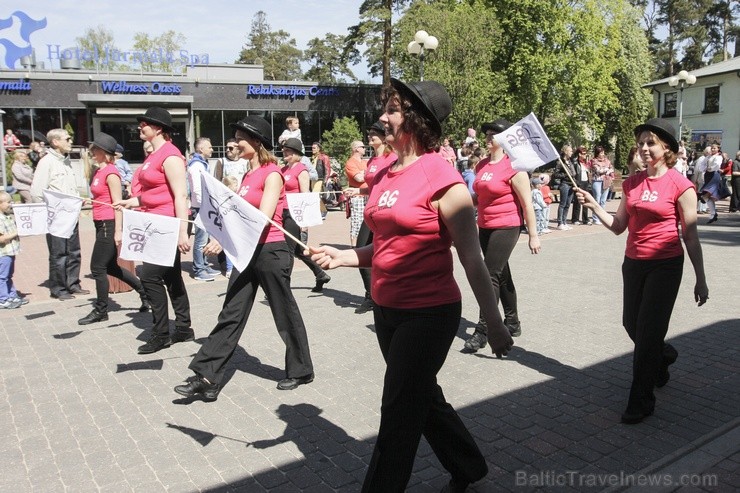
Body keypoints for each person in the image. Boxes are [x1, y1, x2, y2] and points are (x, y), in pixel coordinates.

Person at [310, 79, 513, 493]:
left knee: (399, 409)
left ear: (418, 120)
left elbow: (472, 258)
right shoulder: (384, 172)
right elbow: (385, 243)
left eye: (394, 109)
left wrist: (493, 322)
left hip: (429, 313)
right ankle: (469, 466)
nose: (383, 116)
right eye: (386, 108)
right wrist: (345, 256)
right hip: (387, 310)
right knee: (421, 396)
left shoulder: (443, 178)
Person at [575, 118, 708, 424]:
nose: (644, 148)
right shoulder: (632, 184)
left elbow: (690, 235)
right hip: (633, 262)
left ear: (667, 148)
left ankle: (641, 400)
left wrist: (700, 278)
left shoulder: (681, 185)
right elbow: (619, 227)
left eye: (651, 142)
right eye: (641, 143)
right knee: (631, 324)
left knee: (647, 334)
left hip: (665, 264)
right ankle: (662, 357)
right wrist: (596, 206)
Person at [174, 116, 314, 400]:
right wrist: (219, 238)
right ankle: (207, 377)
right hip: (246, 251)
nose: (234, 143)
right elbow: (233, 215)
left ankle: (301, 370)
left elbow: (262, 218)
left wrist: (229, 240)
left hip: (270, 251)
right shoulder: (248, 176)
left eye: (239, 137)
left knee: (284, 312)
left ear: (256, 142)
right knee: (231, 312)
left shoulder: (272, 173)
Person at [115, 107, 193, 355]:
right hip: (153, 223)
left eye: (144, 124)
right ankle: (183, 328)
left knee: (149, 276)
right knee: (171, 278)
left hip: (166, 226)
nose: (140, 127)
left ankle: (161, 334)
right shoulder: (154, 155)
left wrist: (182, 232)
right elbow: (153, 194)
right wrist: (131, 202)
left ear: (158, 128)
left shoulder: (171, 156)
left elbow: (180, 195)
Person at [463, 119, 541, 352]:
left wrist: (533, 235)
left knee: (489, 274)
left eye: (492, 136)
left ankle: (483, 330)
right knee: (501, 274)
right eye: (486, 135)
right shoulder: (482, 165)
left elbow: (527, 204)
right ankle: (513, 321)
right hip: (485, 225)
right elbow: (479, 196)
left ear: (505, 140)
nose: (487, 140)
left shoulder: (515, 167)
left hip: (507, 226)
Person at [77, 133, 150, 325]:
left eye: (95, 148)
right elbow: (101, 197)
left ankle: (101, 310)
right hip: (99, 222)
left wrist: (118, 231)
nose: (92, 151)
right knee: (111, 267)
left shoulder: (111, 173)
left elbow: (117, 204)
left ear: (104, 152)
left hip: (109, 224)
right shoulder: (98, 171)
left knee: (98, 268)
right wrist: (89, 201)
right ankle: (144, 292)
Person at [345, 121, 398, 315]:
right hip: (370, 211)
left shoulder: (392, 158)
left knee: (385, 255)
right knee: (361, 251)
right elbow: (372, 186)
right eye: (369, 134)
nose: (370, 137)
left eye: (374, 134)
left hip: (384, 213)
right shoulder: (371, 161)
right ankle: (371, 295)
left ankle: (385, 295)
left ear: (384, 136)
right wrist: (357, 190)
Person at [30, 128, 88, 300]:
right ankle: (59, 288)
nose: (71, 142)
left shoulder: (66, 161)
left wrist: (78, 199)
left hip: (71, 214)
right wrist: (46, 214)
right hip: (56, 218)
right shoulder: (47, 162)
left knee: (74, 251)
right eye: (67, 139)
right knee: (59, 253)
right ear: (55, 142)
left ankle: (72, 284)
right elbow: (37, 192)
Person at [279, 137, 331, 292]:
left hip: (294, 214)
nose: (284, 152)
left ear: (296, 153)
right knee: (298, 250)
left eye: (288, 150)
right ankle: (320, 274)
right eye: (284, 150)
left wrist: (304, 223)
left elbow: (305, 195)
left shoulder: (301, 169)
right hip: (282, 212)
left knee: (287, 250)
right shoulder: (283, 169)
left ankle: (283, 288)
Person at [188, 137, 220, 281]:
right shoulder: (196, 166)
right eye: (210, 147)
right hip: (200, 207)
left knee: (205, 238)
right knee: (201, 240)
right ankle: (199, 269)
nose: (212, 149)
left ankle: (204, 265)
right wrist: (204, 206)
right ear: (201, 149)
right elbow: (197, 189)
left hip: (204, 206)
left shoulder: (202, 164)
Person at [0, 191, 27, 309]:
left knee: (8, 275)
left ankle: (12, 295)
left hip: (11, 252)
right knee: (2, 277)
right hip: (3, 254)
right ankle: (3, 299)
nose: (10, 204)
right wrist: (17, 231)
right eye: (8, 202)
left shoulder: (6, 216)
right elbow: (2, 239)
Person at [344, 140, 368, 247]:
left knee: (367, 222)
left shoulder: (364, 162)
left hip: (367, 195)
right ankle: (354, 246)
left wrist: (364, 173)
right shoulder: (350, 162)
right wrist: (367, 173)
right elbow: (358, 178)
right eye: (362, 146)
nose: (365, 148)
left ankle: (365, 245)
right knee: (357, 223)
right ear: (356, 149)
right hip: (356, 196)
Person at [699, 144, 724, 224]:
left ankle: (704, 199)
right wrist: (704, 169)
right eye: (712, 148)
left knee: (707, 193)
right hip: (708, 176)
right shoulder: (708, 157)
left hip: (714, 175)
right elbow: (702, 165)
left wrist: (710, 168)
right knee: (709, 197)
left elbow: (717, 165)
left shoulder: (718, 157)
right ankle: (713, 214)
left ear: (718, 149)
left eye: (714, 148)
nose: (713, 149)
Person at [220, 175, 240, 278]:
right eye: (235, 185)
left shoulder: (236, 196)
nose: (237, 186)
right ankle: (229, 268)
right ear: (228, 186)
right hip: (228, 225)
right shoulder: (227, 197)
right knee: (230, 248)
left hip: (235, 225)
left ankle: (234, 267)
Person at [589, 145, 614, 225]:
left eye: (603, 152)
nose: (602, 154)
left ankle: (602, 218)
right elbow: (598, 170)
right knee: (597, 199)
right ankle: (595, 218)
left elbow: (612, 168)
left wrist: (607, 170)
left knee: (603, 201)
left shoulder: (607, 160)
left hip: (606, 181)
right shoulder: (594, 161)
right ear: (597, 153)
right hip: (597, 181)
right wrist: (607, 170)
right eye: (600, 152)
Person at [554, 145, 576, 230]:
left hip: (571, 184)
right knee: (563, 203)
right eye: (570, 151)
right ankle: (560, 223)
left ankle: (564, 221)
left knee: (568, 204)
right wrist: (565, 175)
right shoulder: (560, 162)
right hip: (565, 184)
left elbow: (573, 173)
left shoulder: (570, 162)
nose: (571, 152)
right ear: (566, 152)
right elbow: (556, 174)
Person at [570, 146, 592, 225]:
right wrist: (576, 183)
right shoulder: (575, 162)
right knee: (578, 201)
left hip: (585, 182)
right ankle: (575, 219)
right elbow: (574, 174)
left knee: (586, 200)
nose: (585, 155)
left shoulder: (585, 163)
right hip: (579, 182)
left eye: (586, 154)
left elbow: (588, 172)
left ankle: (585, 219)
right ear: (579, 154)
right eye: (583, 154)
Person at [692, 147, 710, 214]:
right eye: (708, 152)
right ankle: (699, 208)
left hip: (707, 179)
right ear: (705, 152)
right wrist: (695, 179)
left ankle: (704, 208)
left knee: (705, 193)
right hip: (701, 178)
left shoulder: (708, 158)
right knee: (700, 193)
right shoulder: (701, 159)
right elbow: (697, 170)